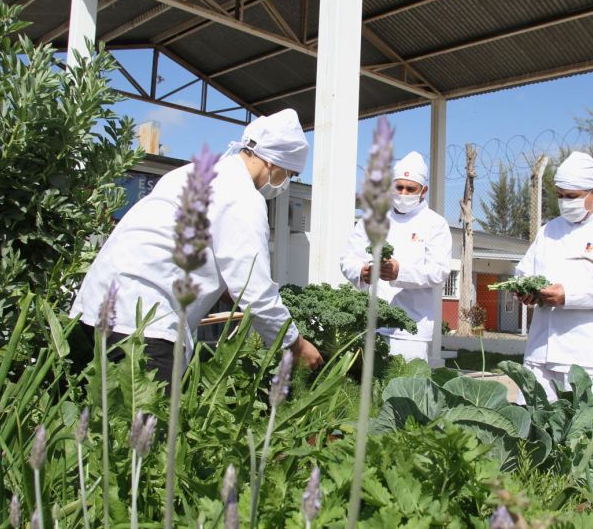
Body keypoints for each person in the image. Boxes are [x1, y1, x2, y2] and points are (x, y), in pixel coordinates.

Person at [70, 108, 323, 385]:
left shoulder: (193, 173)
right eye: (290, 174)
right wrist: (294, 345)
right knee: (146, 425)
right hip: (145, 326)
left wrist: (226, 290)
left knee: (89, 418)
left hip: (93, 309)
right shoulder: (242, 197)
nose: (286, 183)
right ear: (274, 164)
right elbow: (255, 290)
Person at [515, 151, 593, 404]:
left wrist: (568, 295)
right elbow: (525, 269)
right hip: (542, 350)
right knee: (528, 428)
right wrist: (524, 288)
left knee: (580, 434)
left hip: (590, 354)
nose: (564, 202)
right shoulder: (550, 229)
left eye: (571, 196)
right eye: (560, 196)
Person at [340, 151, 452, 362]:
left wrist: (400, 272)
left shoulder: (435, 224)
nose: (403, 192)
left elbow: (439, 272)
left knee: (405, 392)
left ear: (423, 191)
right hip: (371, 326)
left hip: (411, 332)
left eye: (411, 189)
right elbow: (348, 259)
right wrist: (362, 272)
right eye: (398, 187)